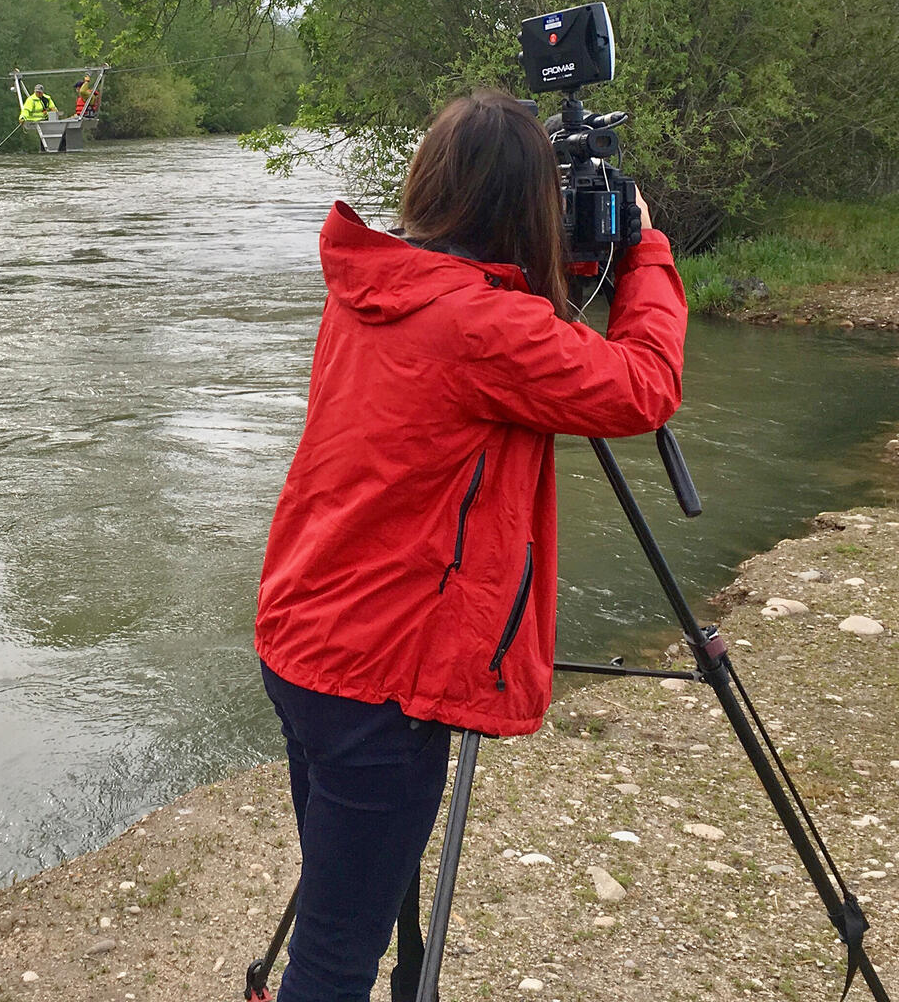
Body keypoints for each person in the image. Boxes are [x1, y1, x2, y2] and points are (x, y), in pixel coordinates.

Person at [255, 90, 687, 1002]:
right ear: (527, 203)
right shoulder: (486, 328)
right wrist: (644, 248)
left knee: (338, 910)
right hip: (380, 682)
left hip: (303, 640)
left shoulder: (375, 284)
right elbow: (642, 387)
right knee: (335, 958)